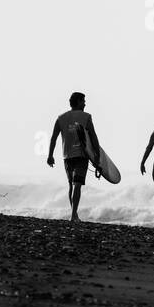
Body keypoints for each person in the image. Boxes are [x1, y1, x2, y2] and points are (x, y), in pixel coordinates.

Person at [46, 92, 102, 223]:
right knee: (76, 185)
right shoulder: (86, 117)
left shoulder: (61, 118)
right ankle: (73, 215)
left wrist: (50, 155)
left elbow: (53, 138)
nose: (85, 103)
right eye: (83, 101)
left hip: (67, 156)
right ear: (77, 102)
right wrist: (97, 154)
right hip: (82, 155)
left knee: (72, 185)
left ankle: (74, 214)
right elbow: (93, 136)